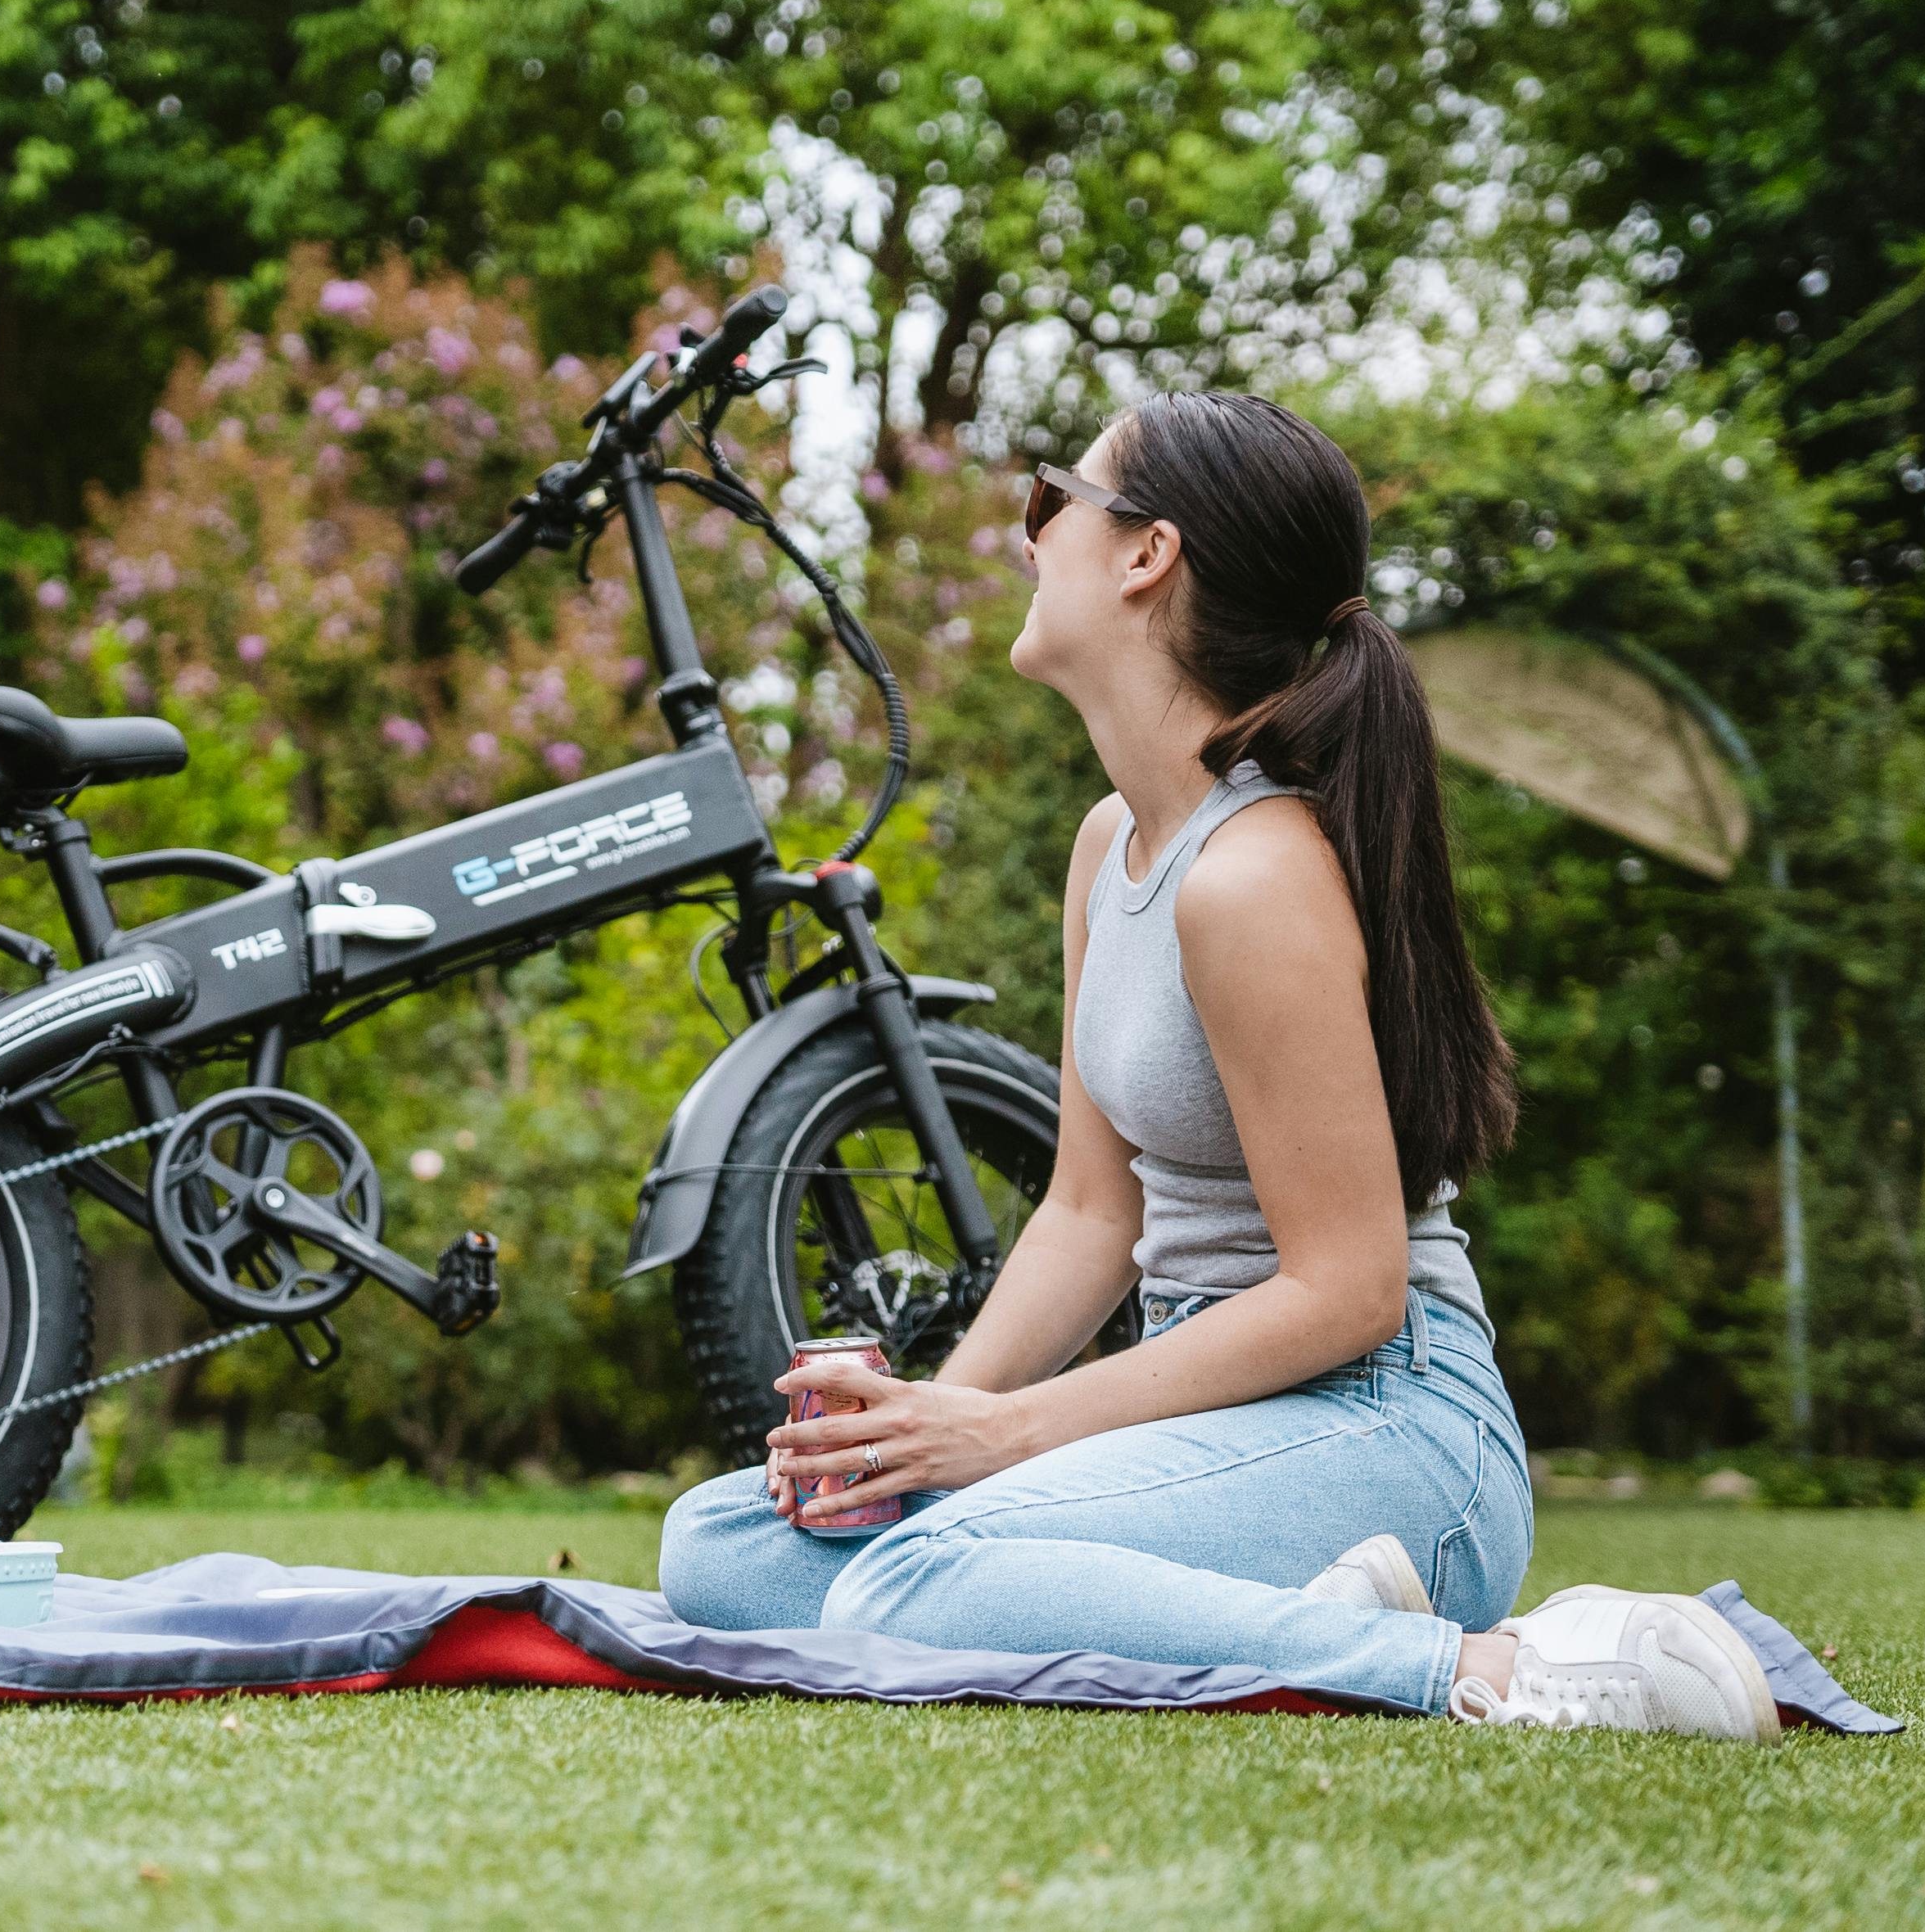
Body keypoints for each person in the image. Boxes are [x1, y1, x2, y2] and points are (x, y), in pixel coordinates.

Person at [658, 393, 1779, 1740]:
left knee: (912, 1582)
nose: (1029, 536)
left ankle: (1486, 1669)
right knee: (717, 1548)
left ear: (1147, 556)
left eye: (1048, 499)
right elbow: (1088, 1213)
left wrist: (1005, 1441)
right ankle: (1326, 1616)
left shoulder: (1251, 875)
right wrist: (930, 1418)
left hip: (1386, 1430)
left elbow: (1351, 1289)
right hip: (1200, 1416)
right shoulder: (1108, 848)